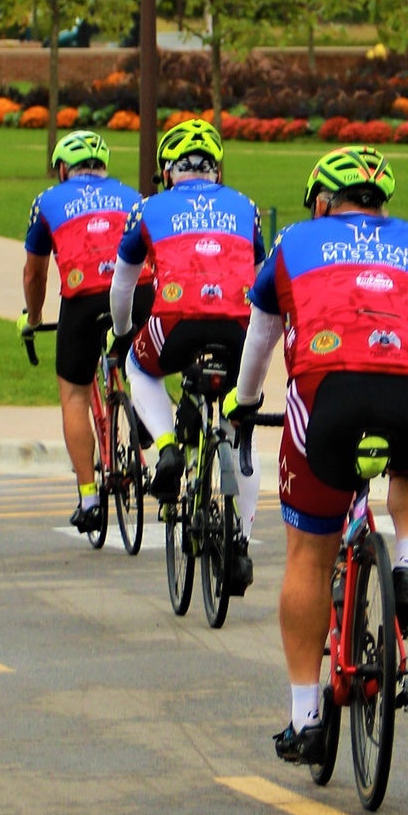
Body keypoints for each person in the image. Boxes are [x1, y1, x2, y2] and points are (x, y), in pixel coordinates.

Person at [225, 145, 408, 765]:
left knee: (308, 549)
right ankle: (407, 564)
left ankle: (305, 718)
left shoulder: (295, 241)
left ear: (323, 202)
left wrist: (244, 404)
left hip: (329, 394)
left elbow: (261, 337)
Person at [109, 117, 265, 588]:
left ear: (167, 171)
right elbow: (262, 281)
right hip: (240, 324)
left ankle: (167, 448)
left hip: (175, 321)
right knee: (240, 433)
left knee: (138, 367)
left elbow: (122, 285)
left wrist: (121, 334)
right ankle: (239, 543)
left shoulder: (149, 208)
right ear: (217, 171)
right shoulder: (246, 207)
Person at [20, 129, 153, 538]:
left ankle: (90, 497)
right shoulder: (134, 197)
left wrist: (34, 317)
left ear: (63, 169)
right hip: (137, 293)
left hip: (82, 299)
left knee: (75, 394)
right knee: (143, 369)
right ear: (104, 166)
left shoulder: (48, 201)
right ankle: (145, 414)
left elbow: (35, 272)